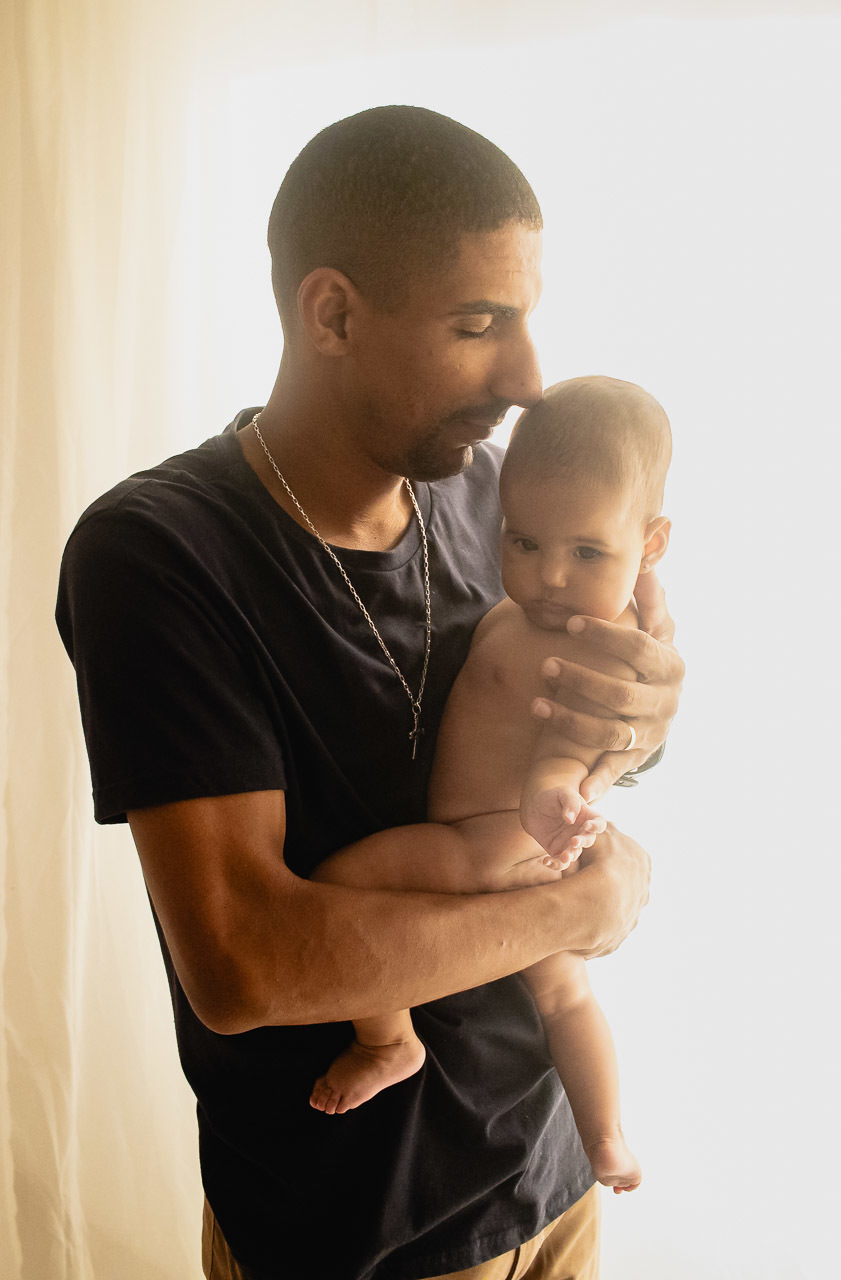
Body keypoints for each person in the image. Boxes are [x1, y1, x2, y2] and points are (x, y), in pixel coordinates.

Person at [55, 107, 683, 1280]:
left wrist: (646, 719)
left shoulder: (494, 495)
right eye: (476, 322)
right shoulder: (159, 552)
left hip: (551, 1184)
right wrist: (570, 913)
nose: (529, 374)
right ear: (332, 312)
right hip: (360, 1237)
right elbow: (243, 962)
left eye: (525, 315)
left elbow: (592, 713)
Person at [309, 376, 672, 1201]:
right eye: (523, 542)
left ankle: (386, 1041)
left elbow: (572, 738)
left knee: (344, 885)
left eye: (587, 554)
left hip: (489, 838)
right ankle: (607, 1135)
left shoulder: (588, 644)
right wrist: (642, 589)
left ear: (648, 545)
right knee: (565, 996)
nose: (547, 575)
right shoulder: (568, 609)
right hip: (523, 849)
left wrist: (552, 792)